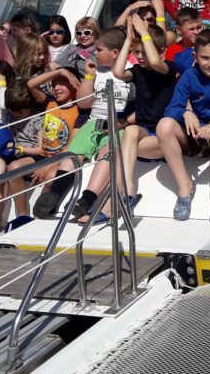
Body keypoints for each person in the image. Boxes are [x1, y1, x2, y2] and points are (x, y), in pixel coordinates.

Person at [75, 16, 176, 223]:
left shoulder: (168, 69)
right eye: (136, 53)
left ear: (161, 52)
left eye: (143, 52)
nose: (139, 57)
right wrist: (129, 40)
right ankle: (125, 194)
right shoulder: (137, 71)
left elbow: (155, 61)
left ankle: (110, 207)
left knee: (121, 151)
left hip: (164, 136)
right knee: (124, 141)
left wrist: (144, 32)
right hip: (143, 132)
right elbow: (118, 72)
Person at [156, 28, 210, 231]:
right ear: (195, 56)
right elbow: (172, 108)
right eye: (205, 58)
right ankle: (185, 187)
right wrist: (185, 113)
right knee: (164, 125)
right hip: (197, 134)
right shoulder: (189, 76)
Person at [0, 82, 43, 237]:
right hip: (14, 151)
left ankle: (22, 215)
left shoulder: (38, 118)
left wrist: (20, 149)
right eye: (12, 110)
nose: (14, 113)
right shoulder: (9, 114)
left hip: (32, 155)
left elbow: (41, 149)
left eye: (18, 110)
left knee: (13, 167)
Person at [29, 67, 87, 219]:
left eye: (62, 83)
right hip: (43, 155)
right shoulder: (50, 103)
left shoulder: (80, 109)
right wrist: (59, 72)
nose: (56, 88)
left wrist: (48, 166)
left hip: (61, 159)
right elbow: (31, 85)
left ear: (75, 84)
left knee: (50, 176)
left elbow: (71, 146)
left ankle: (39, 215)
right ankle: (22, 214)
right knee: (14, 168)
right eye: (54, 85)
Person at [164, 7, 204, 71]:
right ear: (179, 30)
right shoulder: (172, 51)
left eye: (199, 27)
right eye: (191, 29)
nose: (196, 32)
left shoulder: (208, 47)